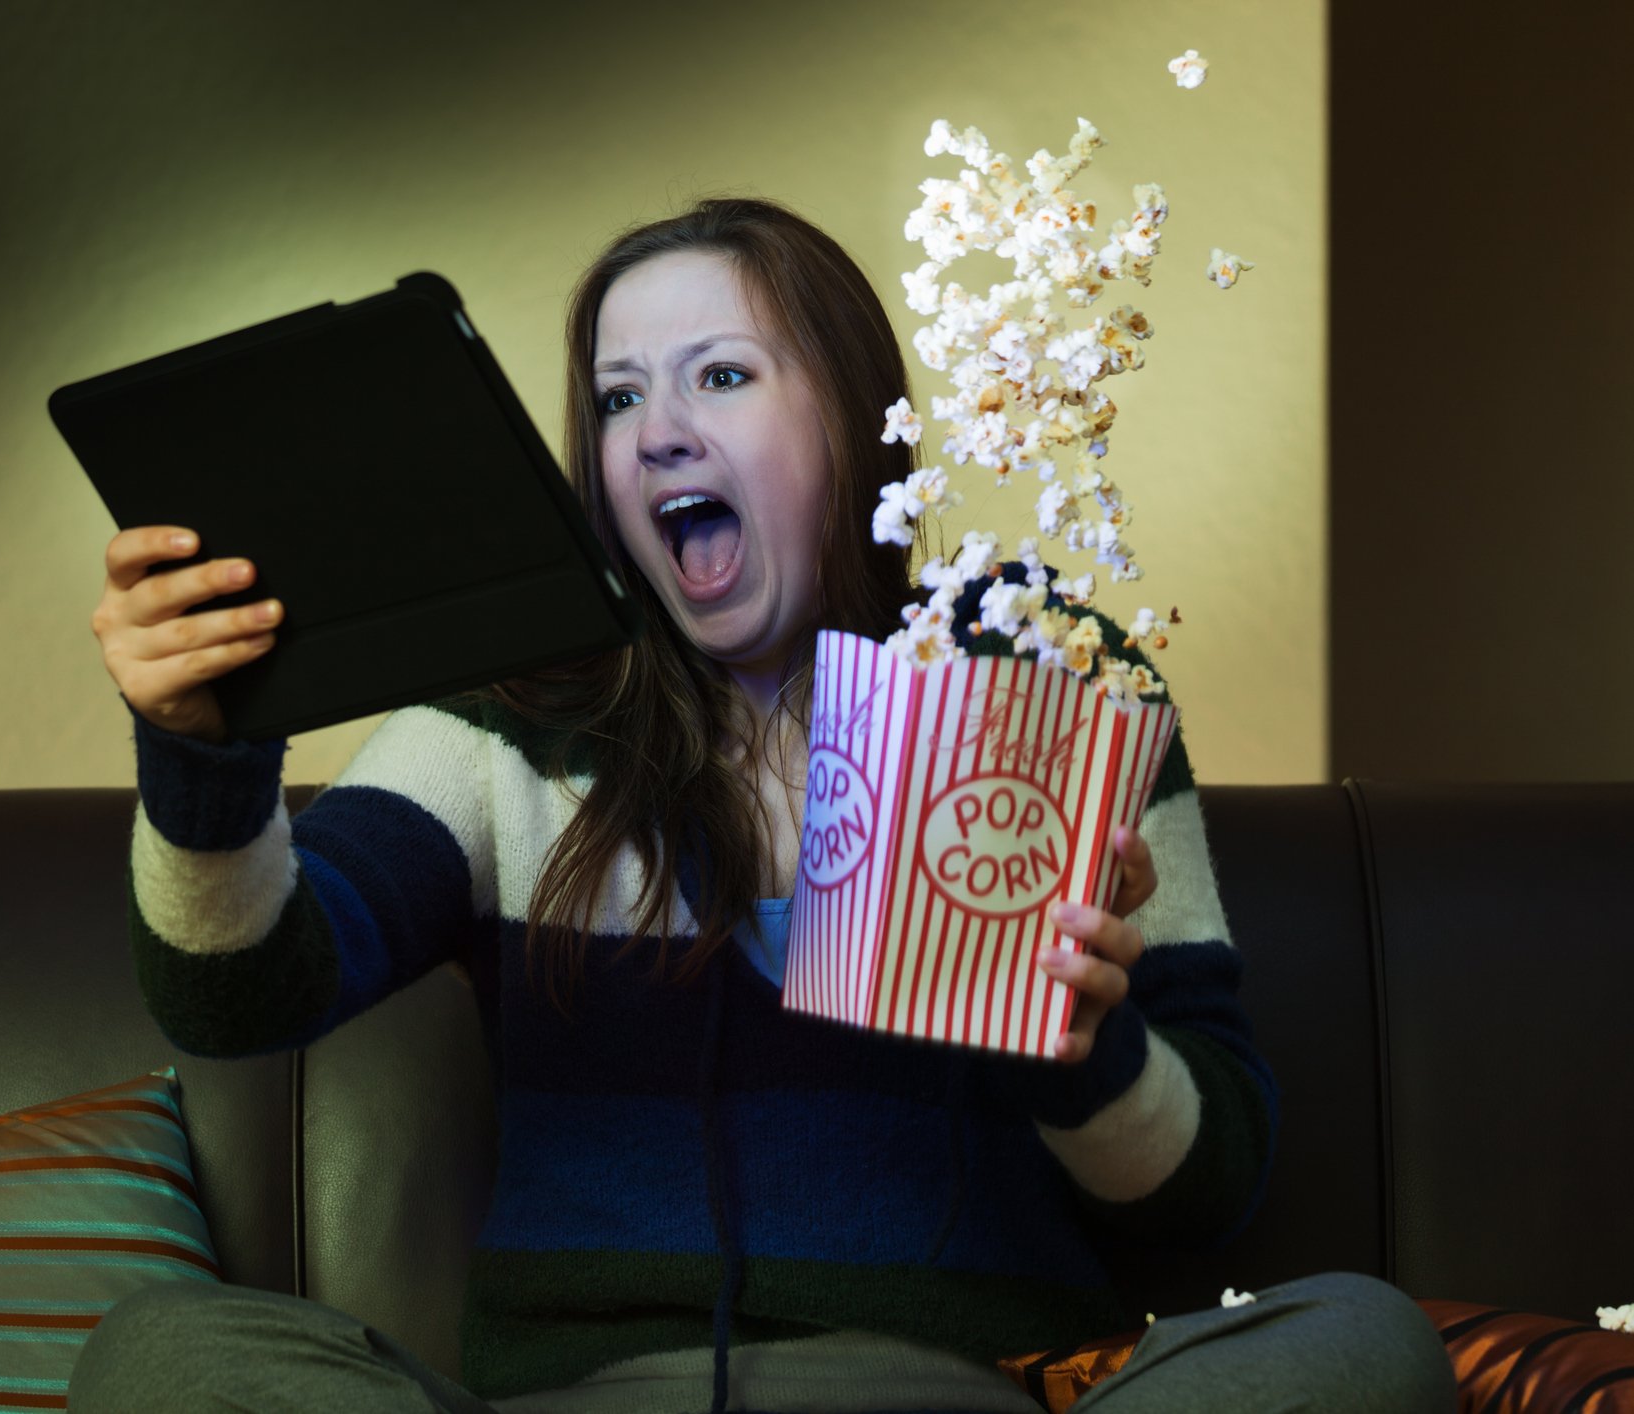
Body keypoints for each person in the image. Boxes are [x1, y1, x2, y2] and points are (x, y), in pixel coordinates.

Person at [72, 199, 1453, 1413]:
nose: (659, 431)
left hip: (957, 1392)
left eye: (718, 376)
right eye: (617, 400)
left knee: (1359, 1339)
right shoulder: (505, 723)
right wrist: (200, 745)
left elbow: (1209, 1183)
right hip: (583, 1399)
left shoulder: (1040, 683)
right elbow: (237, 1000)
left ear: (855, 422)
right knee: (162, 1356)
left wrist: (1078, 1047)